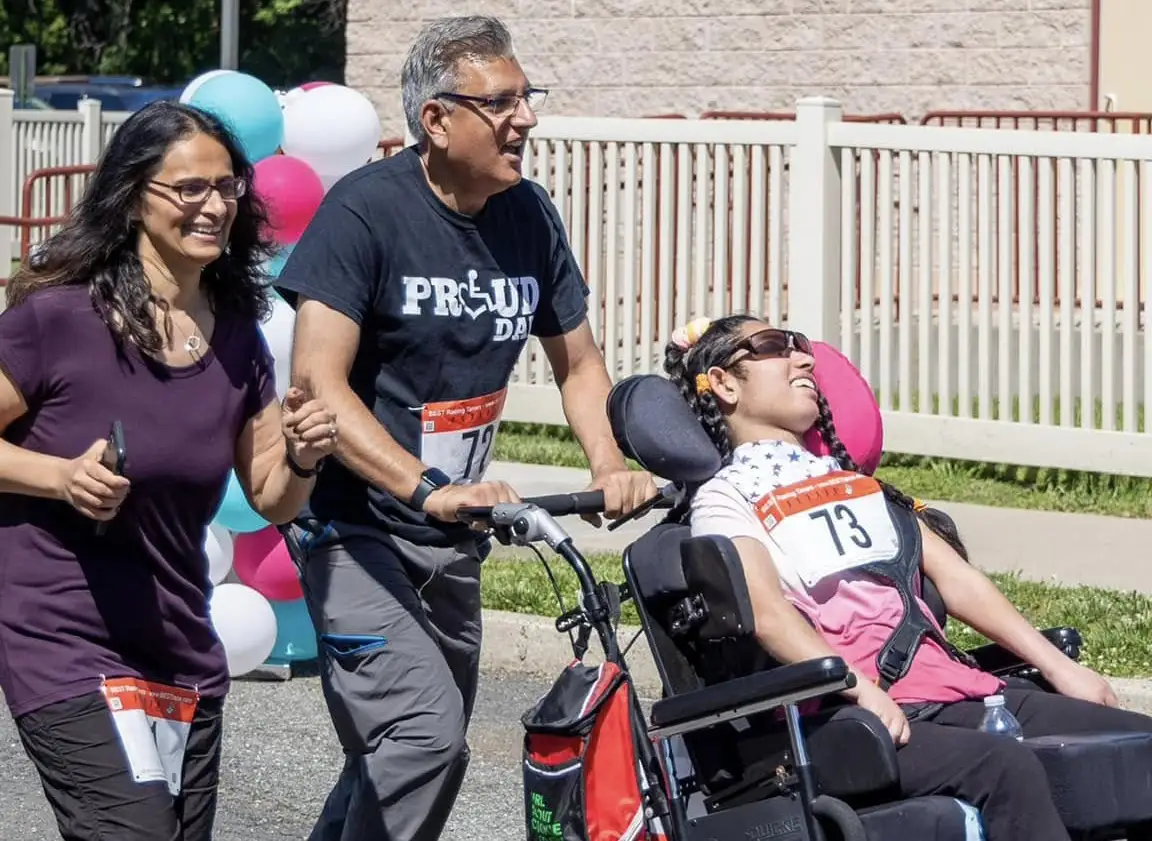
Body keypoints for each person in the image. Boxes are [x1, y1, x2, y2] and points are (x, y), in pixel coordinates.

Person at [272, 14, 657, 841]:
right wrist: (426, 487)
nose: (526, 118)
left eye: (528, 98)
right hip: (354, 528)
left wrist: (608, 460)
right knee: (423, 739)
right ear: (437, 118)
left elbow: (580, 363)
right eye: (502, 102)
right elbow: (319, 387)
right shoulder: (365, 214)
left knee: (393, 759)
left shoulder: (529, 215)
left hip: (455, 538)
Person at [664, 314, 1152, 841]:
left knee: (1140, 747)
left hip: (961, 690)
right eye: (772, 347)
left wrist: (1059, 668)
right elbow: (766, 612)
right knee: (1007, 767)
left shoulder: (855, 483)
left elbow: (959, 580)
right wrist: (861, 689)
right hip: (849, 716)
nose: (803, 359)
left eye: (800, 346)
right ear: (724, 383)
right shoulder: (727, 498)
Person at [0, 100, 338, 841]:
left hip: (178, 641)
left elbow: (274, 496)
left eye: (227, 187)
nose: (214, 205)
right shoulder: (56, 319)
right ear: (131, 196)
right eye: (189, 188)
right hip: (64, 632)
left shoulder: (238, 338)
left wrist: (306, 452)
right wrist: (56, 476)